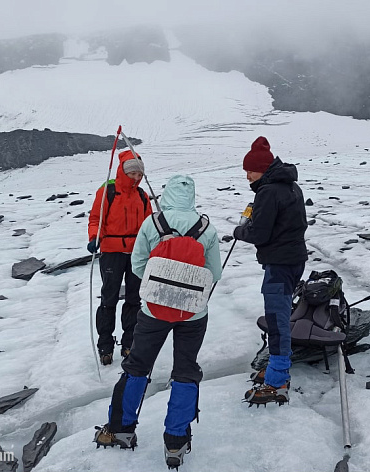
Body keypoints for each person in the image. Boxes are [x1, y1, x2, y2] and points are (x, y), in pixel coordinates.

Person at [94, 175, 222, 469]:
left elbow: (138, 265)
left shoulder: (153, 223)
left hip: (153, 309)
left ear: (166, 196)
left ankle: (121, 429)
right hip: (193, 313)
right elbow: (213, 273)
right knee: (186, 369)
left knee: (138, 364)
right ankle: (176, 442)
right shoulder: (207, 228)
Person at [234, 136, 307, 405]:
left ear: (263, 169)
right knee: (280, 315)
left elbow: (260, 234)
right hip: (292, 259)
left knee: (277, 320)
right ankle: (277, 369)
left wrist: (240, 231)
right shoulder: (290, 186)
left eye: (250, 171)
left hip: (280, 263)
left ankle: (277, 379)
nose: (247, 176)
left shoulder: (268, 192)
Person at [88, 150, 152, 365]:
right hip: (111, 252)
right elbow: (96, 218)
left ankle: (129, 343)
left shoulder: (142, 196)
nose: (136, 177)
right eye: (132, 172)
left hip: (137, 253)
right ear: (124, 171)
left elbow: (149, 225)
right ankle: (105, 345)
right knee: (109, 299)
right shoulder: (108, 192)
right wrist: (94, 237)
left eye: (139, 174)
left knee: (134, 298)